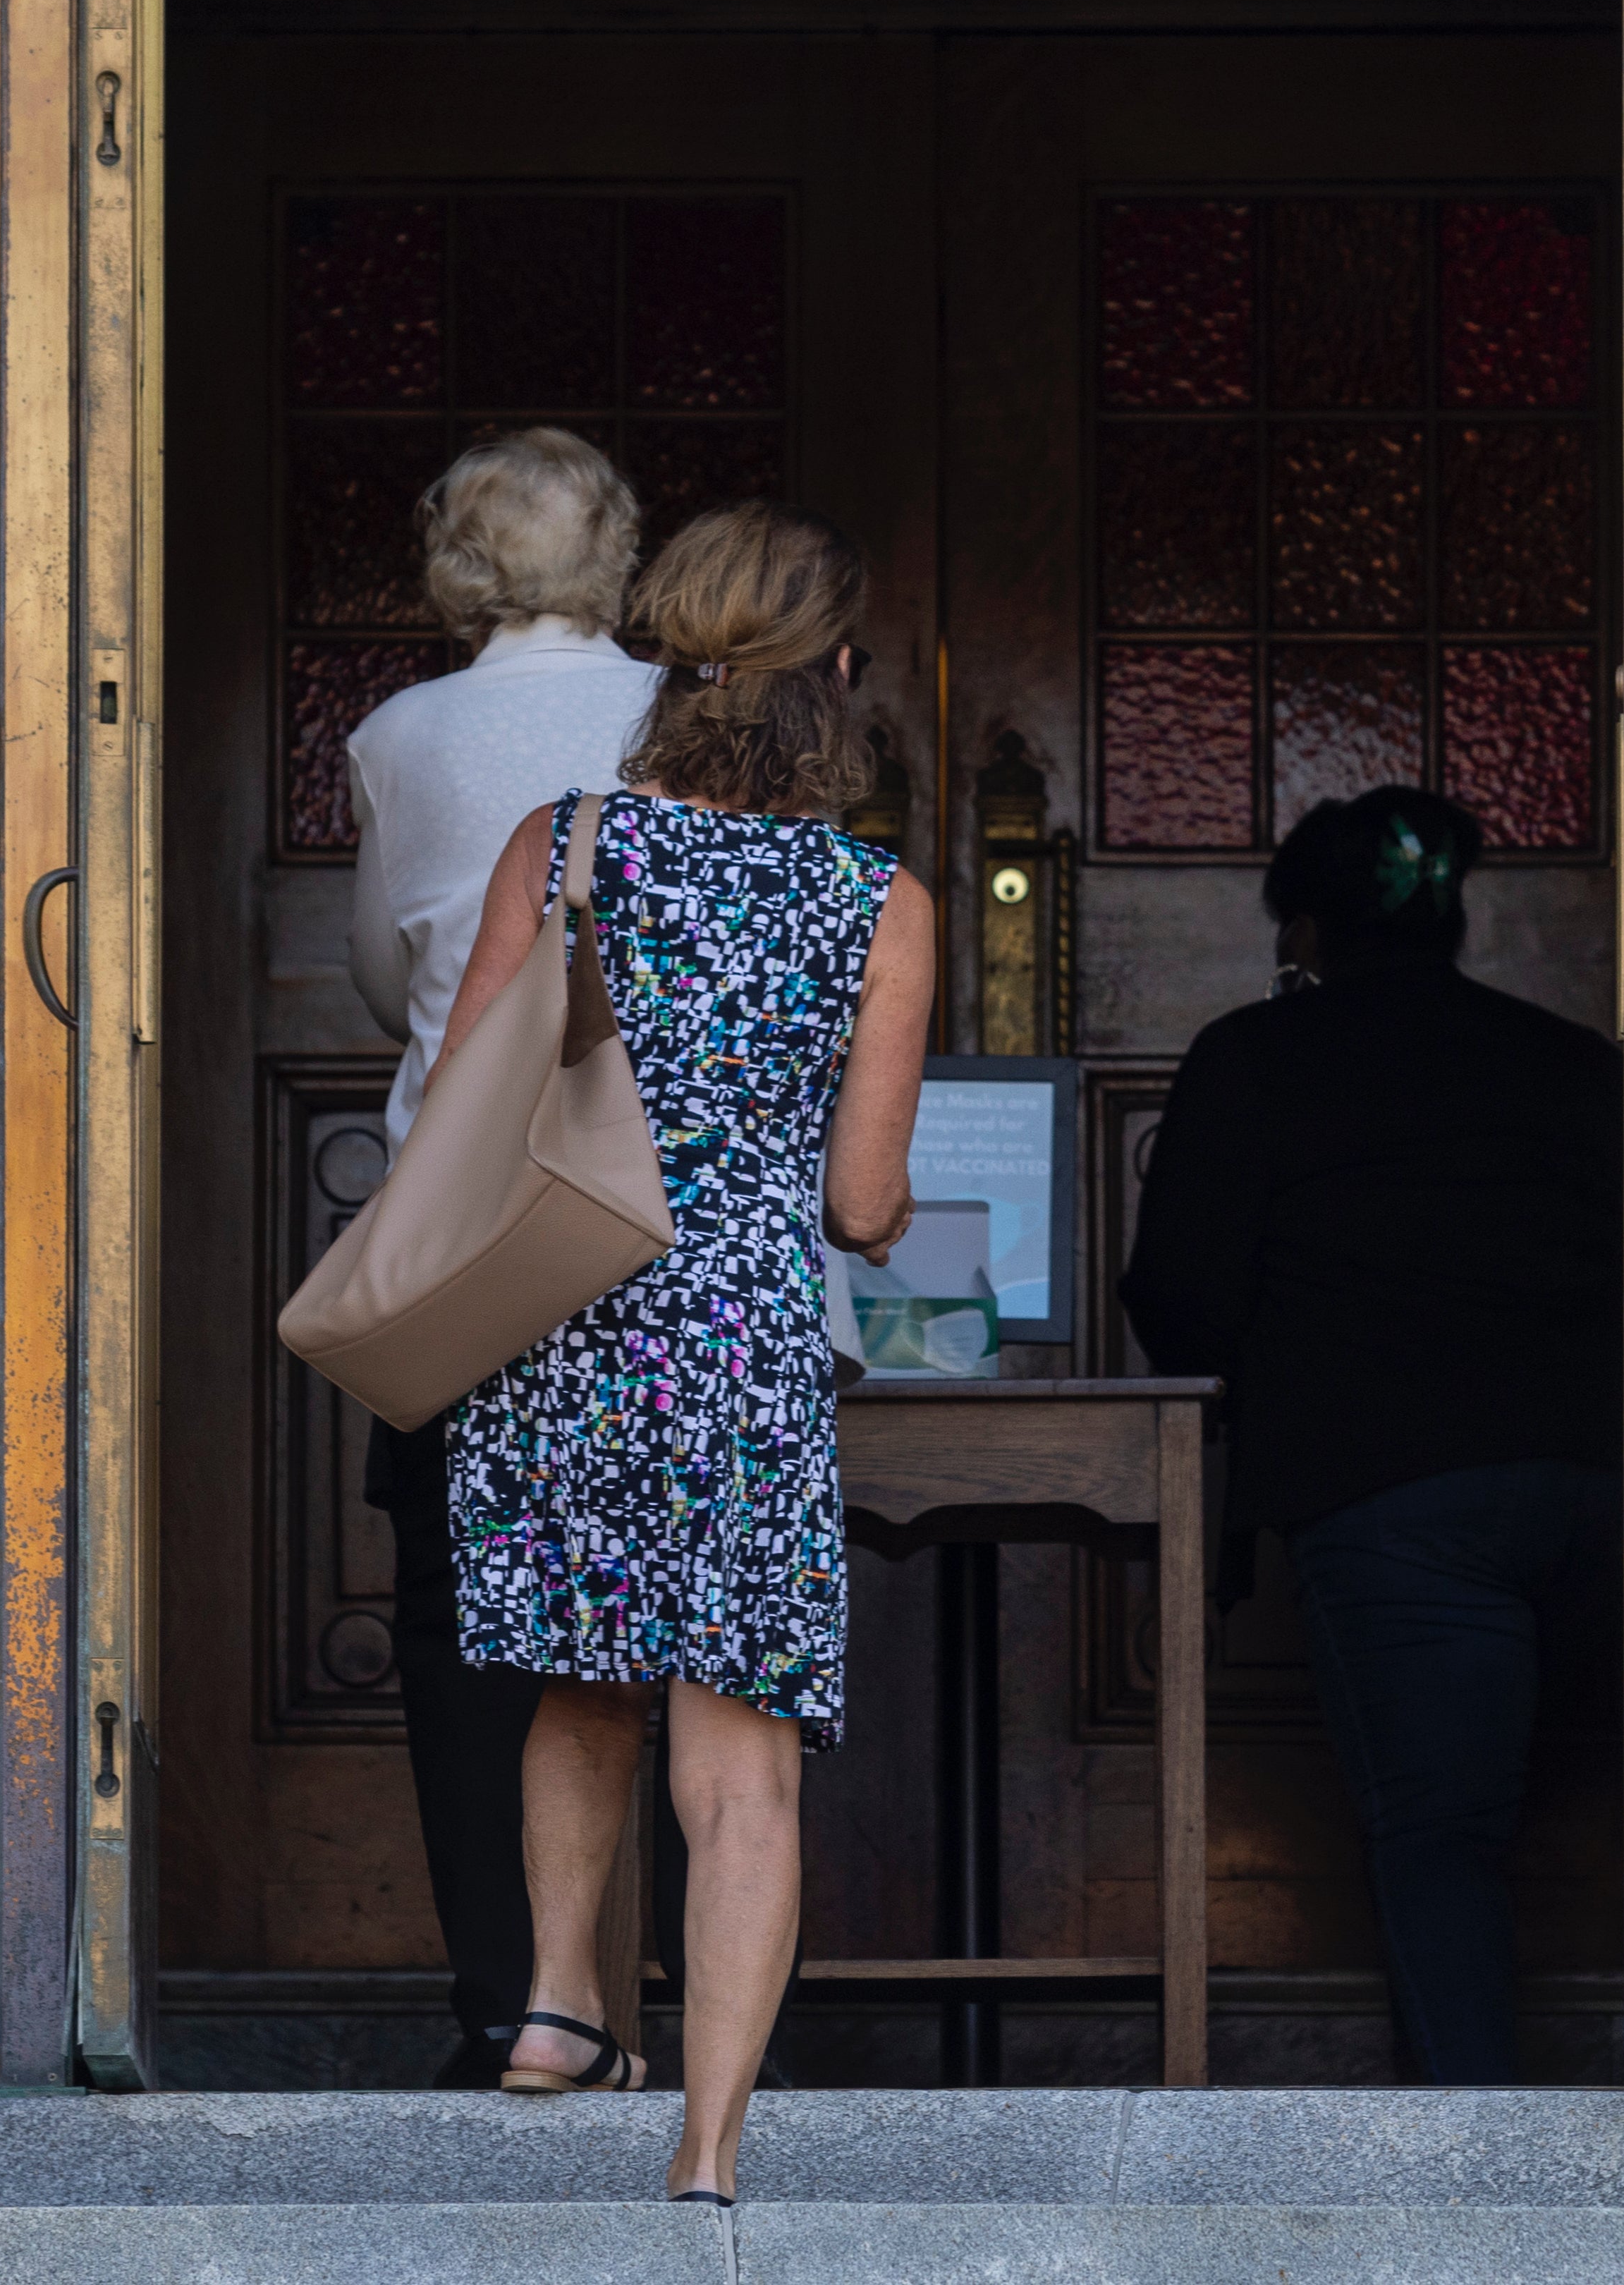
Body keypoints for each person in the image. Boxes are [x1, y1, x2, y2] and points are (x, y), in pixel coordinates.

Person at [432, 502, 929, 2205]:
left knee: (581, 1688)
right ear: (839, 678)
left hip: (564, 1323)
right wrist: (862, 1187)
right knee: (742, 1756)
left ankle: (557, 2006)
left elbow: (460, 1114)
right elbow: (862, 1202)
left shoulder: (561, 843)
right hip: (732, 1346)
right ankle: (706, 2152)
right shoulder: (877, 898)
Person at [1121, 787, 1620, 2086]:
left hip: (1393, 1495)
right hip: (1609, 1491)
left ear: (1305, 933)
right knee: (1606, 1808)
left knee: (1441, 1829)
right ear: (1452, 915)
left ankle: (1470, 2153)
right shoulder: (1577, 1063)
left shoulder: (1254, 1059)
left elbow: (1180, 1295)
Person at [343, 425, 664, 2087]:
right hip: (646, 1220)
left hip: (469, 1228)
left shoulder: (399, 737)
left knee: (463, 1620)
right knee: (661, 1612)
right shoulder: (671, 713)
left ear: (456, 561)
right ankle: (652, 1991)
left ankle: (512, 2002)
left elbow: (372, 971)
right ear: (619, 552)